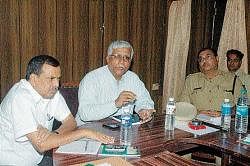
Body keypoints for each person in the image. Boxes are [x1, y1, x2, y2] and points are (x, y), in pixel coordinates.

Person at [0, 55, 114, 165]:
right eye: (51, 79)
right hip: (13, 162)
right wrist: (84, 133)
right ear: (34, 79)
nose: (56, 84)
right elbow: (42, 145)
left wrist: (53, 134)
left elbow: (70, 122)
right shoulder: (20, 97)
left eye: (58, 78)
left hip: (38, 159)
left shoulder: (50, 92)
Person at [76, 40, 155, 125]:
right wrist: (115, 104)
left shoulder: (133, 78)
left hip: (121, 129)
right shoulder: (91, 79)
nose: (122, 61)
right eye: (117, 56)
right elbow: (85, 114)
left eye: (127, 58)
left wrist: (144, 110)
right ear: (108, 59)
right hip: (89, 131)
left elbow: (144, 100)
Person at [179, 48, 242, 117]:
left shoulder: (233, 80)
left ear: (217, 59)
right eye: (201, 59)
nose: (204, 61)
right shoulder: (191, 80)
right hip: (197, 123)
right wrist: (197, 113)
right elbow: (183, 105)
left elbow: (242, 107)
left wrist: (224, 113)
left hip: (224, 123)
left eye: (208, 57)